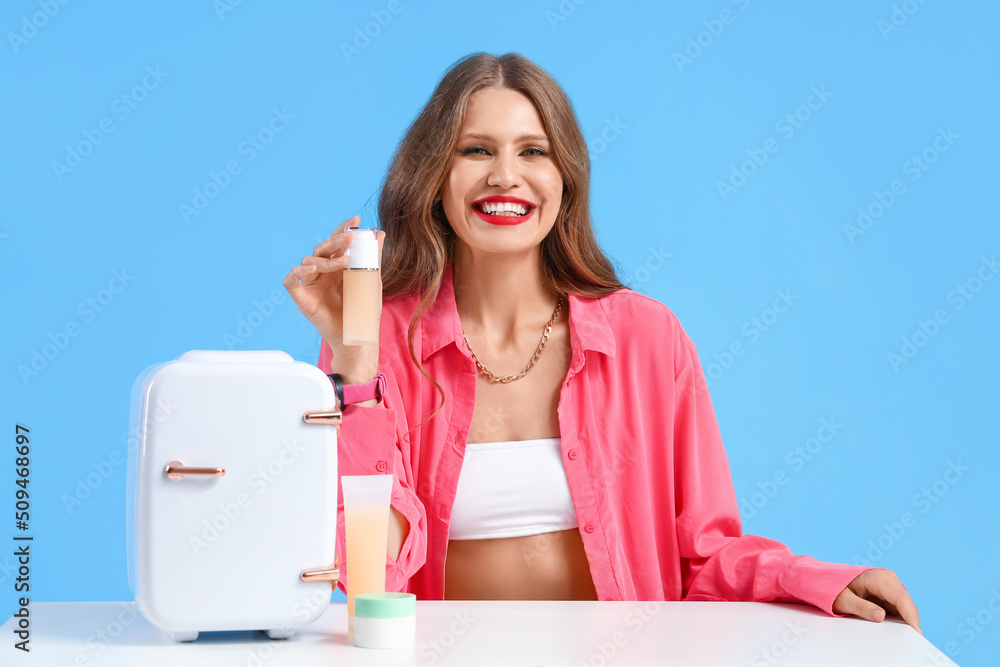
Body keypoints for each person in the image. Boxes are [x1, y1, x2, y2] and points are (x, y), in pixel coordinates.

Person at [283, 52, 921, 632]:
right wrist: (355, 359)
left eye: (533, 151)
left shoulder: (647, 337)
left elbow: (702, 553)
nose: (505, 176)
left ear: (566, 179)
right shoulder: (377, 340)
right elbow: (370, 580)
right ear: (432, 176)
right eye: (475, 150)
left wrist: (823, 582)